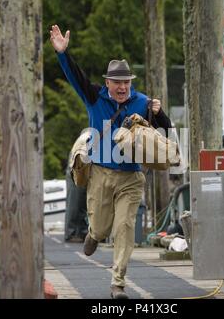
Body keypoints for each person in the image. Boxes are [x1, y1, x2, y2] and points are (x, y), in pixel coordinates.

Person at [50, 25, 172, 299]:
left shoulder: (142, 102)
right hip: (101, 174)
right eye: (117, 83)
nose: (122, 87)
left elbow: (164, 135)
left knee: (125, 228)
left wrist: (160, 113)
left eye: (126, 82)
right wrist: (63, 54)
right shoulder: (94, 97)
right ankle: (93, 233)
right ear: (108, 83)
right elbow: (75, 77)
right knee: (103, 228)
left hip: (131, 177)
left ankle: (118, 283)